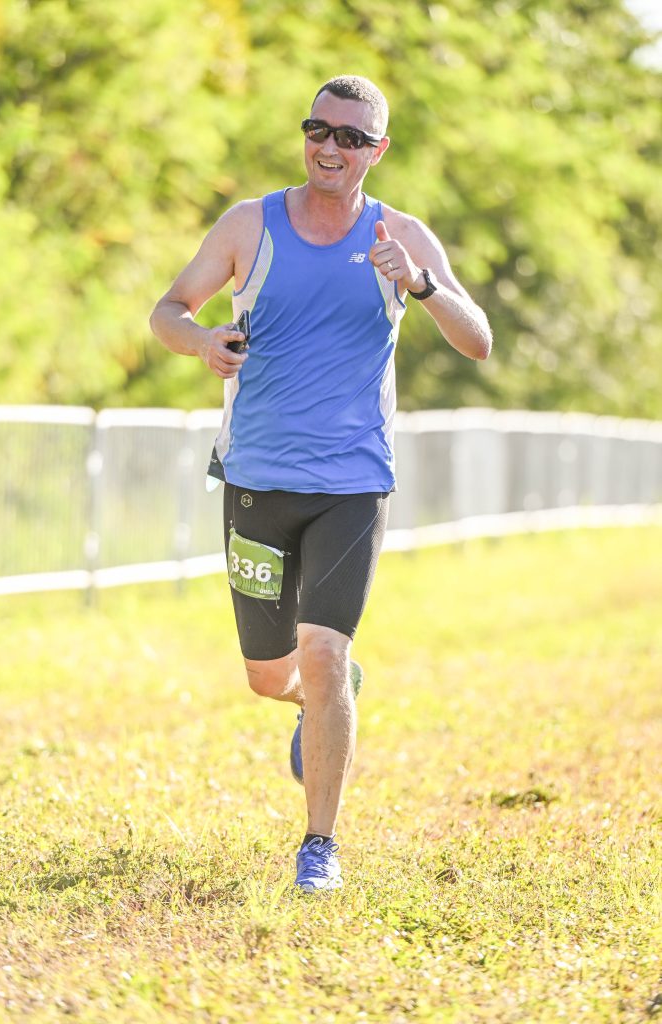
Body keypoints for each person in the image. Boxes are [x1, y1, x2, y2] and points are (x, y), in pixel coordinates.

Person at [150, 74, 492, 893]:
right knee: (271, 675)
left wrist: (420, 284)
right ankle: (315, 701)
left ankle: (318, 848)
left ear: (377, 150)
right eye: (317, 129)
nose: (328, 147)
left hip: (351, 482)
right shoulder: (249, 224)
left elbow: (476, 341)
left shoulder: (400, 236)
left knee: (326, 653)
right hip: (256, 479)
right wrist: (200, 343)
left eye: (349, 137)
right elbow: (168, 309)